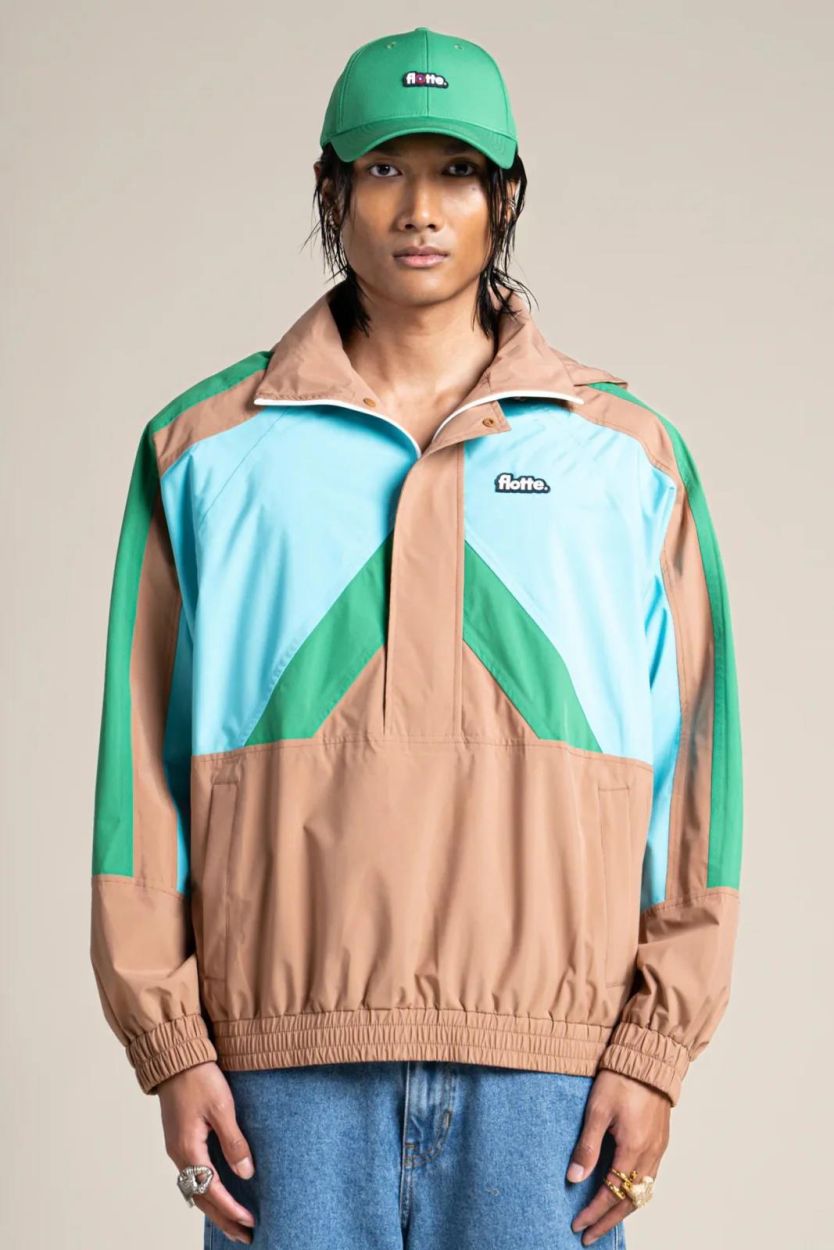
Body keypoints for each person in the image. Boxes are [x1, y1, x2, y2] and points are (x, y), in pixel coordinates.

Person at [89, 25, 744, 1250]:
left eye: (457, 171)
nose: (421, 208)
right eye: (385, 168)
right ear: (331, 189)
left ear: (507, 197)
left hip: (553, 1073)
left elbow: (695, 768)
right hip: (282, 1064)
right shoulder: (206, 449)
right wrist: (169, 1043)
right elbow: (140, 772)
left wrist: (656, 1048)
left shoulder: (625, 457)